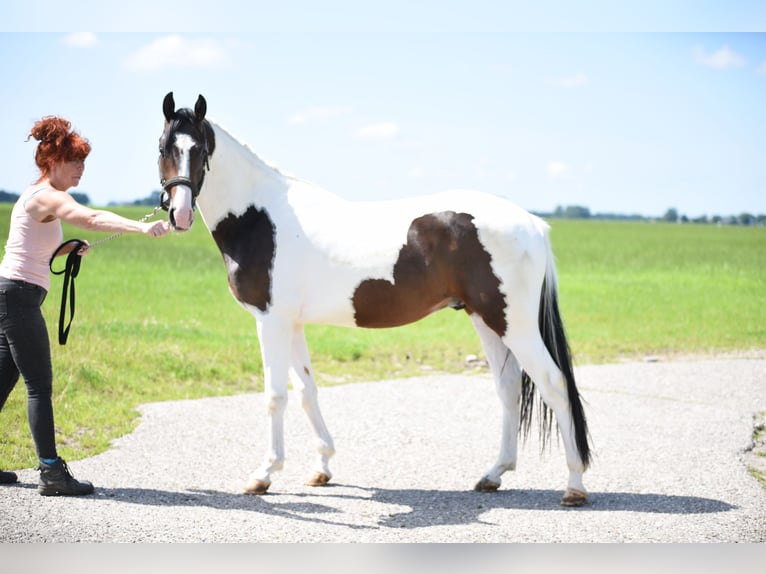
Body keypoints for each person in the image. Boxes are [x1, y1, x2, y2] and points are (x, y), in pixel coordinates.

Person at [0, 116, 170, 495]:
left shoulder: (39, 196)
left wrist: (67, 249)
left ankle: (49, 469)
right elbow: (91, 217)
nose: (81, 168)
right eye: (75, 160)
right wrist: (142, 227)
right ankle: (51, 473)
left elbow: (32, 248)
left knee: (3, 381)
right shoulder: (46, 195)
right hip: (17, 297)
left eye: (83, 161)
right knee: (39, 386)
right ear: (53, 161)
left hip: (12, 294)